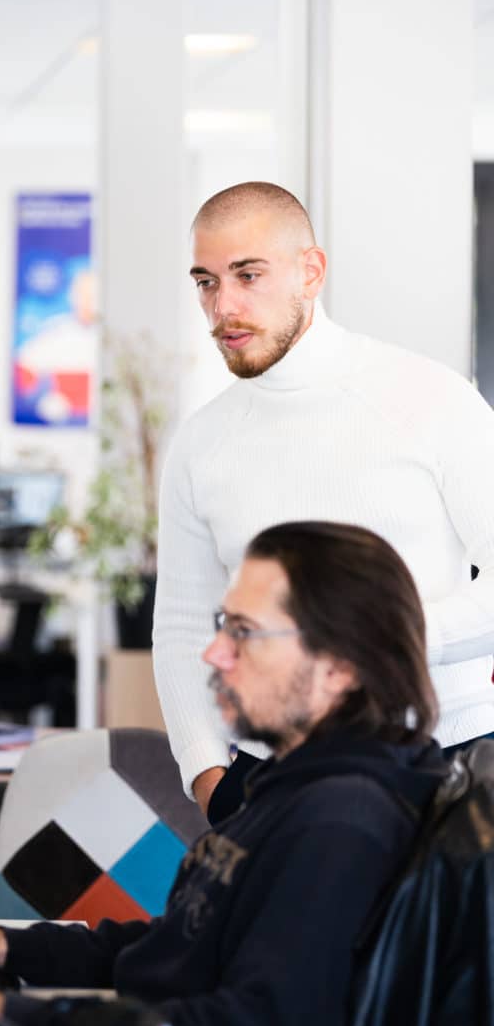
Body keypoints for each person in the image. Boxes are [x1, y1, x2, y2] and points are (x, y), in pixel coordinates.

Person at [0, 521, 447, 1026]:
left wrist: (6, 1013)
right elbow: (177, 949)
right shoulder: (298, 784)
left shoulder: (342, 823)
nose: (214, 652)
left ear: (340, 668)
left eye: (243, 632)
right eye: (223, 625)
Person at [153, 181, 494, 820]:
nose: (223, 306)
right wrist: (207, 774)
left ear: (310, 272)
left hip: (444, 759)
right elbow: (180, 624)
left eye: (248, 275)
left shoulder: (431, 399)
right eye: (206, 282)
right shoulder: (201, 442)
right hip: (268, 777)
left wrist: (386, 639)